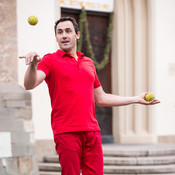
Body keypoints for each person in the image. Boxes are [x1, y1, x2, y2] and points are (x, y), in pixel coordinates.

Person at [19, 17, 160, 175]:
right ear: (56, 37)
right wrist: (32, 66)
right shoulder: (50, 60)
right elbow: (29, 84)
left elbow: (102, 98)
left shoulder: (89, 63)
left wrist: (135, 99)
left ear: (77, 35)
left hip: (92, 132)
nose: (64, 35)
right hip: (66, 132)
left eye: (68, 31)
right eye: (59, 32)